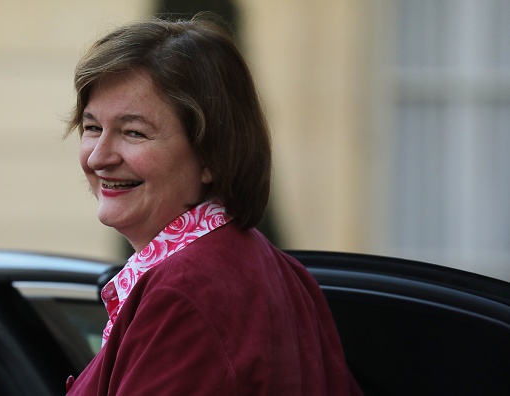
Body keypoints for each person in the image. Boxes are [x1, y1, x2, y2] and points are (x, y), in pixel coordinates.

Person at [64, 13, 363, 396]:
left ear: (210, 155)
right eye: (92, 128)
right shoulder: (276, 267)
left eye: (133, 132)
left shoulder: (183, 293)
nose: (98, 157)